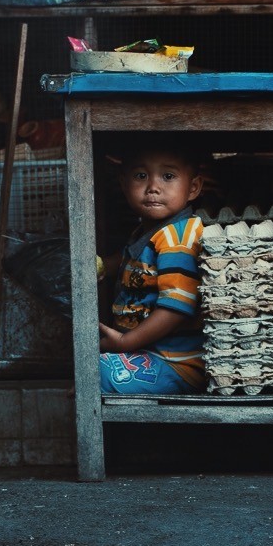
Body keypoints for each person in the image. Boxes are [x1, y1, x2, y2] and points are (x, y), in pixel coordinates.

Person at [99, 145, 208, 396]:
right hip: (147, 353)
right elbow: (131, 257)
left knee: (92, 373)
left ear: (193, 188)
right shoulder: (150, 231)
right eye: (140, 176)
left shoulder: (177, 238)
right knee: (87, 366)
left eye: (168, 177)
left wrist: (125, 342)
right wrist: (104, 265)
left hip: (175, 363)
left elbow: (175, 309)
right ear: (124, 184)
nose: (153, 187)